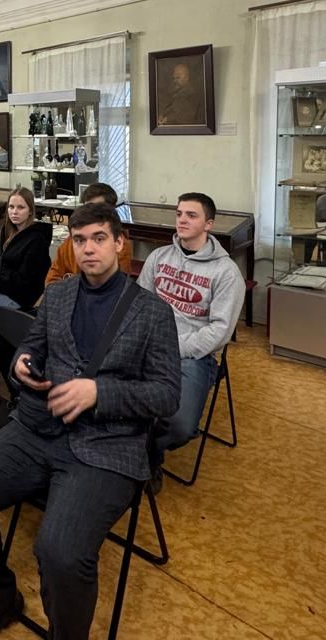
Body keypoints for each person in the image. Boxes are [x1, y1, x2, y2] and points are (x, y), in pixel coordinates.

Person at [0, 203, 180, 640]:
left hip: (105, 446)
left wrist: (100, 392)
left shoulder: (152, 312)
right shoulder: (60, 295)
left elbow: (166, 395)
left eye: (99, 238)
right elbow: (32, 345)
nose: (88, 248)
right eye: (79, 240)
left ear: (119, 243)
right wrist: (22, 365)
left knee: (61, 553)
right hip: (38, 428)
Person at [138, 192, 244, 463]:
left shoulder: (226, 273)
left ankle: (149, 457)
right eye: (179, 214)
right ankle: (125, 452)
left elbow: (219, 331)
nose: (182, 220)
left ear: (209, 224)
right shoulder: (159, 257)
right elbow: (140, 306)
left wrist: (174, 349)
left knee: (180, 426)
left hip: (195, 357)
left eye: (191, 215)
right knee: (106, 393)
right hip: (149, 347)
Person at [44, 183, 131, 287]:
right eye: (87, 207)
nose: (88, 249)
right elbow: (52, 278)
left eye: (99, 239)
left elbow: (117, 286)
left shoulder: (118, 244)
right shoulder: (71, 241)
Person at [0, 188, 52, 313]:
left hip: (17, 298)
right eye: (11, 207)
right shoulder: (5, 232)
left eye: (21, 207)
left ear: (30, 211)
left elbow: (22, 283)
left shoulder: (37, 240)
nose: (14, 212)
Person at [157, 61, 203, 125]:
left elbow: (188, 116)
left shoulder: (193, 95)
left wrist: (167, 119)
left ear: (186, 78)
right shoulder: (174, 92)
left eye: (178, 77)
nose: (175, 80)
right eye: (174, 78)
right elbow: (167, 107)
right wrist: (161, 115)